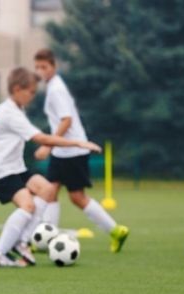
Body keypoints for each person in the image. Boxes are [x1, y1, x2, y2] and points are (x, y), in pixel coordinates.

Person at [0, 67, 102, 267]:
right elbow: (40, 138)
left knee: (48, 190)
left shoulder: (10, 107)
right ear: (17, 89)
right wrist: (78, 143)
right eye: (31, 92)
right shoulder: (11, 114)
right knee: (28, 205)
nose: (32, 97)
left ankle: (21, 243)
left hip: (15, 167)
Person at [34, 49, 129, 253]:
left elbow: (66, 120)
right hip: (63, 152)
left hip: (71, 152)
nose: (41, 71)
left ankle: (115, 230)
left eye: (44, 67)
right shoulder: (53, 87)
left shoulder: (56, 89)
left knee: (76, 197)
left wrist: (48, 144)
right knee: (49, 192)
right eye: (37, 67)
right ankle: (48, 239)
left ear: (54, 66)